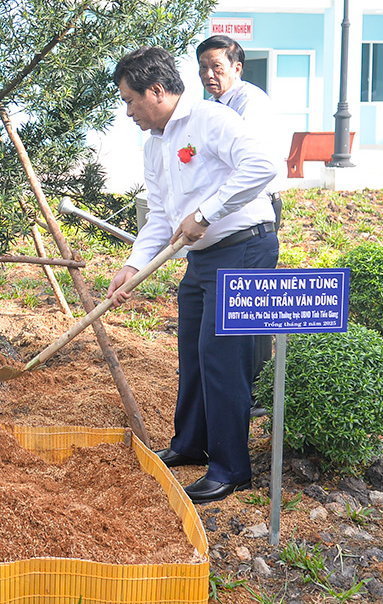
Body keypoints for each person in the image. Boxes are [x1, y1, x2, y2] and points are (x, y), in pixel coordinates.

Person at [106, 47, 279, 505]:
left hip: (244, 248)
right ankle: (191, 444)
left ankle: (229, 467)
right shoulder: (155, 144)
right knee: (194, 351)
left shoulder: (211, 120)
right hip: (202, 259)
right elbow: (161, 217)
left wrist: (206, 211)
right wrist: (132, 267)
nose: (128, 112)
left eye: (130, 101)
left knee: (222, 355)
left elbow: (263, 166)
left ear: (156, 91)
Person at [196, 34, 286, 398]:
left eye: (216, 66)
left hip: (254, 210)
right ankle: (247, 383)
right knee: (237, 309)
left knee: (249, 306)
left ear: (236, 67)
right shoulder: (218, 104)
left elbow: (251, 165)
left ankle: (255, 387)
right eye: (203, 68)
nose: (208, 75)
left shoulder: (249, 103)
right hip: (229, 211)